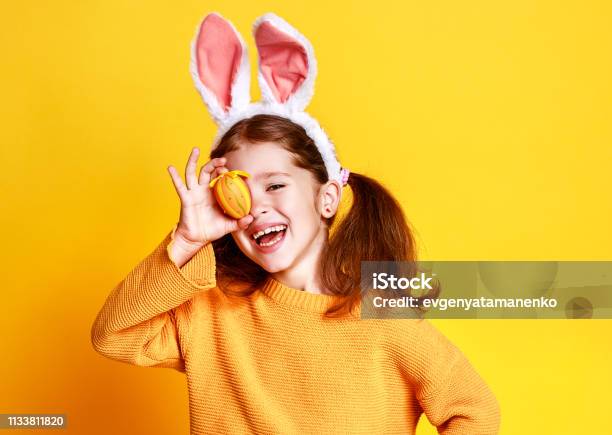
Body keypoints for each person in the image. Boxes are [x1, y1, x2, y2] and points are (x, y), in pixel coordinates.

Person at [91, 12, 501, 434]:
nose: (257, 207)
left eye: (276, 185)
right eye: (241, 191)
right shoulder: (213, 313)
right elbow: (113, 336)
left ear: (326, 198)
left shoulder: (384, 320)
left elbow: (474, 411)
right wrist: (185, 241)